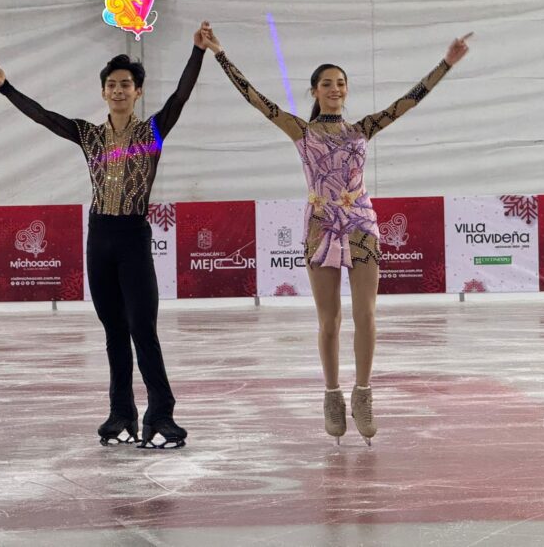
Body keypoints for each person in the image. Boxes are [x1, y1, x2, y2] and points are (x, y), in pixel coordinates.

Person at [201, 22, 471, 445]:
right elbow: (254, 98)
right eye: (327, 83)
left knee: (366, 314)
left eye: (341, 83)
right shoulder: (301, 131)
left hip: (361, 226)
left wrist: (446, 64)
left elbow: (409, 102)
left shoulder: (362, 129)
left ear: (346, 90)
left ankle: (363, 393)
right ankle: (332, 394)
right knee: (329, 320)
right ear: (314, 92)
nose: (335, 89)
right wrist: (219, 53)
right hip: (321, 227)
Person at [0, 22, 210, 448]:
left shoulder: (152, 132)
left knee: (143, 329)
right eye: (112, 84)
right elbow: (45, 117)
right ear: (103, 92)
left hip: (133, 238)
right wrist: (5, 87)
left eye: (126, 84)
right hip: (99, 238)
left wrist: (197, 53)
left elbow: (181, 96)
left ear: (138, 92)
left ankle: (161, 415)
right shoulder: (89, 135)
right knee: (114, 333)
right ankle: (120, 414)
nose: (119, 90)